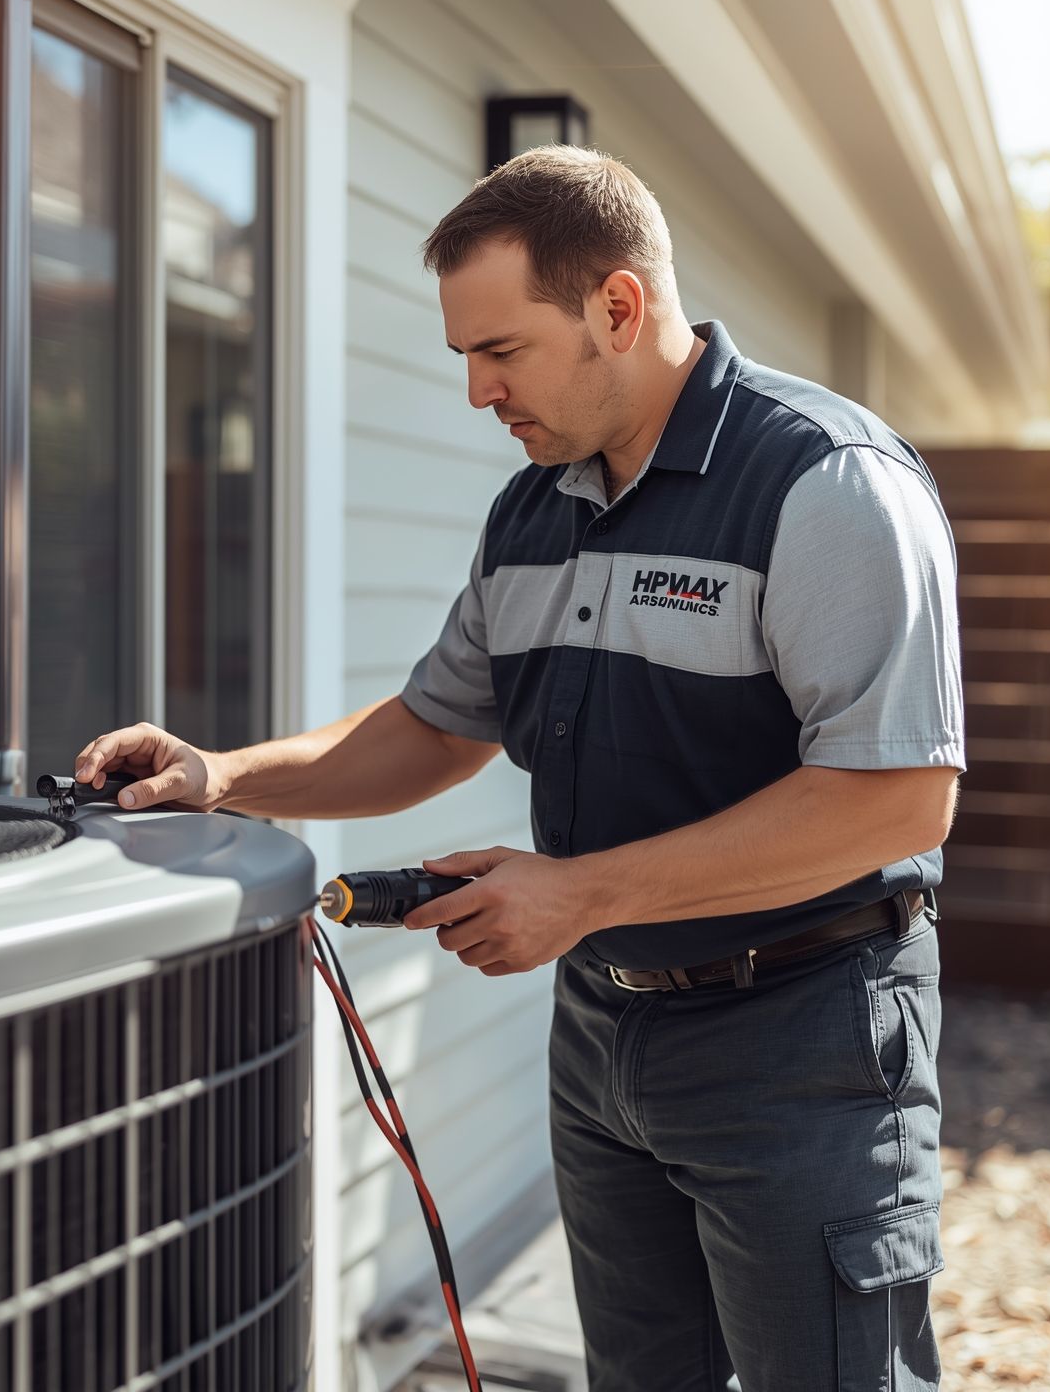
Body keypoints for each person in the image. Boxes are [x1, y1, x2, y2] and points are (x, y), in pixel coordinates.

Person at [73, 146, 964, 1391]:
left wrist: (582, 890)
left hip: (803, 1041)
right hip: (605, 1039)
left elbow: (897, 797)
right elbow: (437, 727)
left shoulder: (826, 484)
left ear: (617, 307)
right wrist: (224, 776)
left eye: (503, 352)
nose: (479, 393)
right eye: (465, 359)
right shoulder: (536, 509)